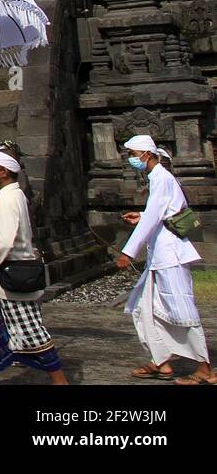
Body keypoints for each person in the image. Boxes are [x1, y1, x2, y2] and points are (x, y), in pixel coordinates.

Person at [0, 144, 68, 385]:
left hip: (10, 275)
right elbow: (0, 224)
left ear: (2, 172)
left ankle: (59, 378)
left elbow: (3, 241)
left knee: (30, 330)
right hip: (3, 275)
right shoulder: (10, 195)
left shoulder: (10, 199)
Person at [117, 135, 213, 385]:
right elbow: (160, 212)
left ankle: (205, 369)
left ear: (146, 155)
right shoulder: (157, 178)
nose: (131, 159)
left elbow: (156, 217)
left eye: (133, 154)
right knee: (141, 307)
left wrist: (128, 251)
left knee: (181, 309)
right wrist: (141, 214)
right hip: (160, 255)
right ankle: (162, 362)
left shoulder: (161, 178)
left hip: (169, 255)